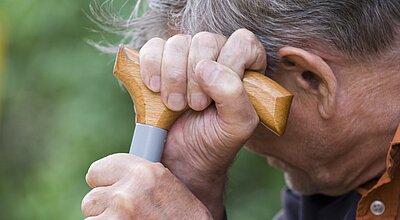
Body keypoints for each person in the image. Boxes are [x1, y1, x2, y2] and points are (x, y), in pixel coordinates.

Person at [82, 0, 400, 219]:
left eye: (214, 98)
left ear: (311, 79)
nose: (239, 134)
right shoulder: (335, 179)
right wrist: (191, 181)